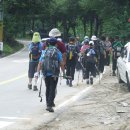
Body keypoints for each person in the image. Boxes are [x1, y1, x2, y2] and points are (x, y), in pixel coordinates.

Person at [35, 37, 65, 112]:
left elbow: (40, 63)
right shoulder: (57, 52)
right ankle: (49, 105)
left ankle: (48, 103)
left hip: (45, 73)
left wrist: (37, 72)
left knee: (48, 87)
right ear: (56, 44)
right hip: (54, 73)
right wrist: (64, 73)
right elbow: (61, 63)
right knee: (52, 88)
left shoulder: (44, 51)